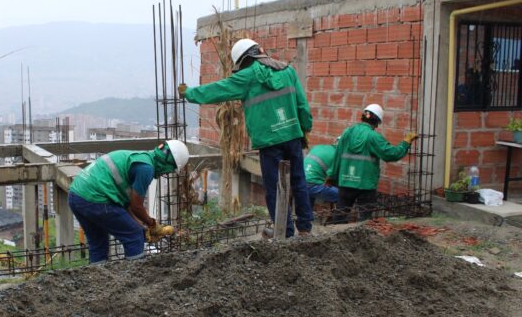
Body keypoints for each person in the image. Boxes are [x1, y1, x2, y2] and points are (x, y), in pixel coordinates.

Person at [179, 38, 313, 238]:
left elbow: (217, 90)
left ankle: (283, 232)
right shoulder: (288, 71)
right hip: (293, 135)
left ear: (243, 61)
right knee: (298, 180)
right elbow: (302, 105)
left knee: (274, 187)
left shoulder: (246, 77)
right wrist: (305, 128)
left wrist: (189, 93)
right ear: (259, 51)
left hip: (269, 142)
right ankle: (305, 228)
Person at [68, 140, 189, 263]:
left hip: (76, 196)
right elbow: (136, 206)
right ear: (168, 162)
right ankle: (134, 279)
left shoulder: (140, 158)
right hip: (95, 198)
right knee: (134, 237)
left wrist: (140, 225)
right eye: (171, 169)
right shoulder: (146, 169)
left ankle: (95, 278)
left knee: (98, 243)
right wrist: (152, 225)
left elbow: (127, 205)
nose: (167, 173)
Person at [326, 103, 418, 222]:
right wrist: (405, 143)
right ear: (377, 121)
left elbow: (337, 156)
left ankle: (335, 238)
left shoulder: (347, 133)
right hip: (366, 185)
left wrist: (331, 175)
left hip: (346, 182)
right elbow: (391, 154)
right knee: (364, 221)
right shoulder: (373, 136)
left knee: (339, 216)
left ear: (364, 116)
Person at [304, 143, 338, 208]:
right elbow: (333, 176)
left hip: (301, 183)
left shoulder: (318, 147)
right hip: (313, 185)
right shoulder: (338, 155)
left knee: (307, 212)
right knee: (345, 198)